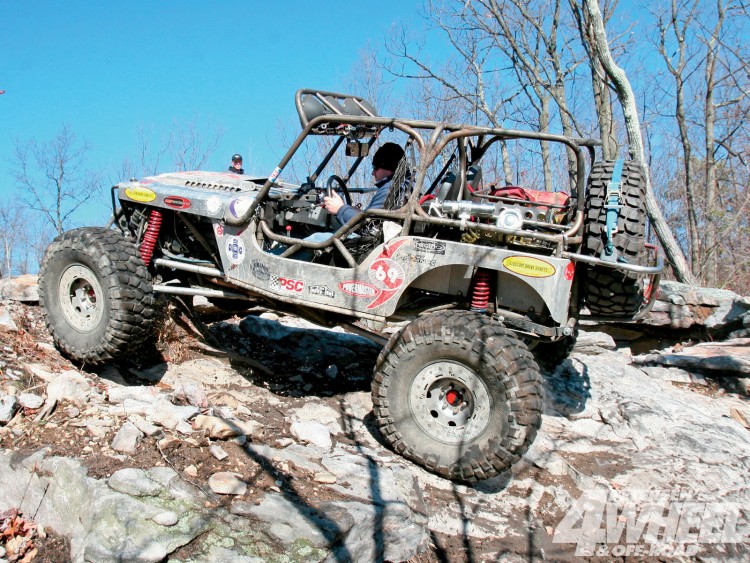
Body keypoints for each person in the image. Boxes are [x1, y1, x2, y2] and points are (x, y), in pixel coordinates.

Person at [321, 142, 404, 225]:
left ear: (388, 168)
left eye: (375, 168)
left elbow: (369, 225)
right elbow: (374, 218)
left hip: (373, 236)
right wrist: (353, 210)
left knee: (316, 237)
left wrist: (340, 209)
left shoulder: (389, 190)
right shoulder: (404, 185)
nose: (373, 173)